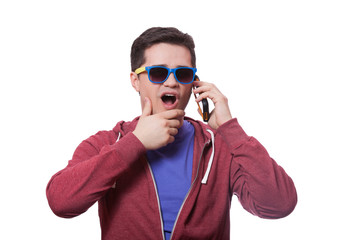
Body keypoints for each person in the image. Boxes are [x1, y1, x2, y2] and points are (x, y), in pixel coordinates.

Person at [46, 27, 297, 240]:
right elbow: (61, 202)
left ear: (193, 83)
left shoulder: (219, 146)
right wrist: (135, 144)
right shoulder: (109, 142)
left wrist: (230, 129)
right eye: (158, 72)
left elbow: (279, 204)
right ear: (135, 81)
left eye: (183, 73)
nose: (171, 82)